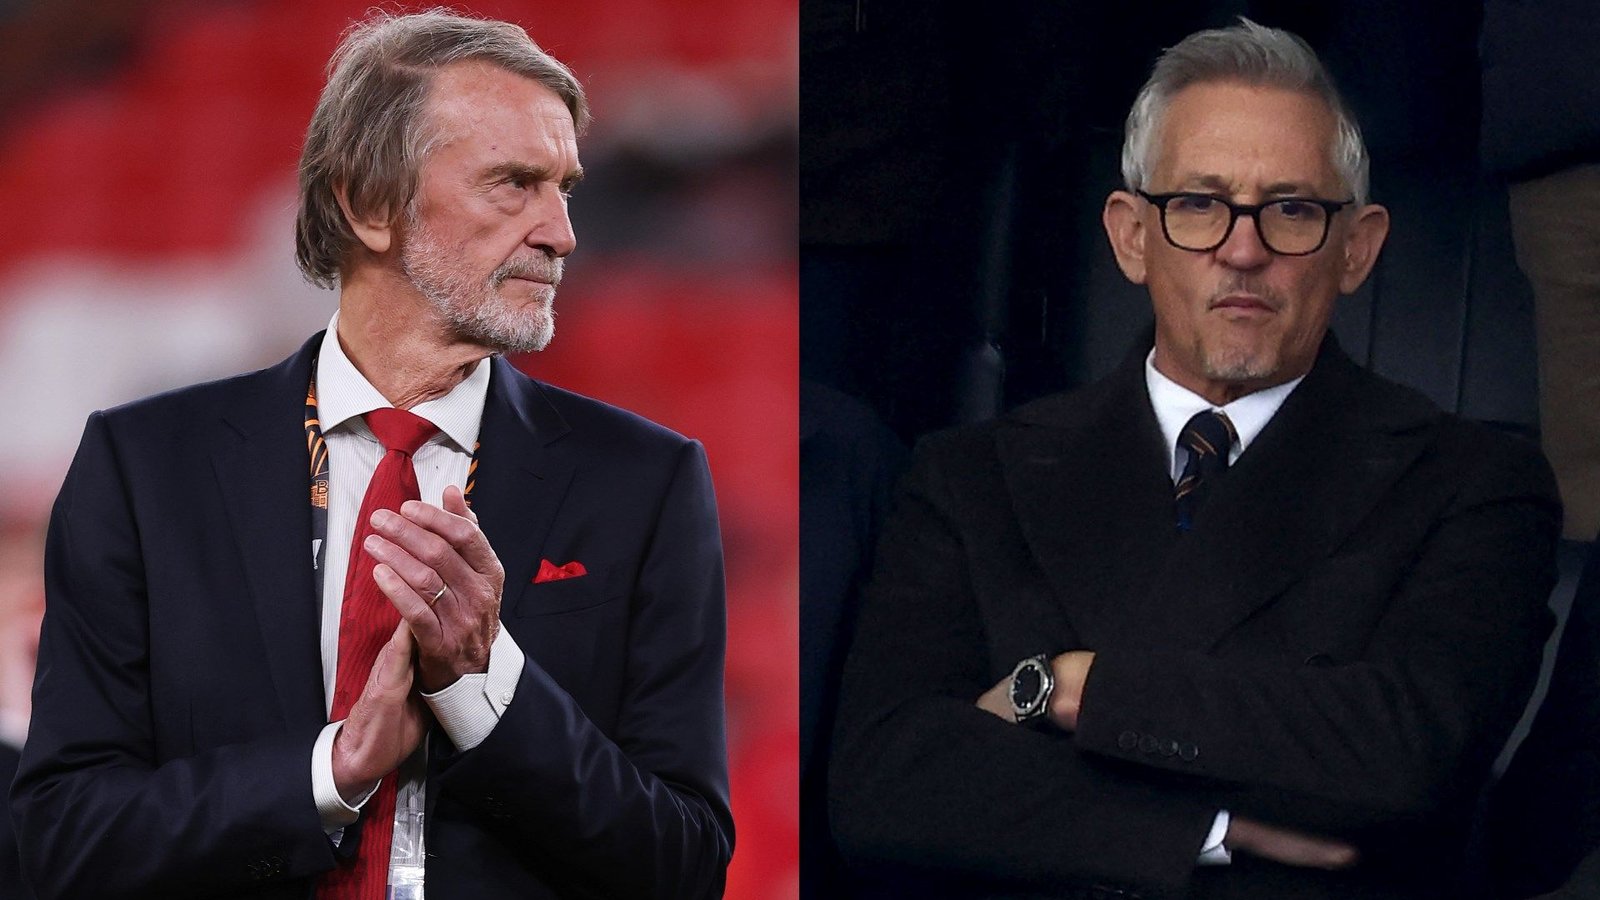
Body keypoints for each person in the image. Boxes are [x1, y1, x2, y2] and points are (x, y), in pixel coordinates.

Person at [828, 19, 1559, 900]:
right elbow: (884, 785)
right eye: (1199, 205)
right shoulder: (967, 475)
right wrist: (1200, 829)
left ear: (1357, 248)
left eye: (1292, 209)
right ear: (1131, 235)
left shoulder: (1473, 485)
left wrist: (1072, 688)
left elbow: (1406, 757)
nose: (1243, 250)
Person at [11, 11, 732, 900]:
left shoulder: (645, 482)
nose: (561, 232)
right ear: (368, 206)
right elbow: (63, 838)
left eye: (564, 189)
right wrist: (328, 774)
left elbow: (684, 865)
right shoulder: (145, 467)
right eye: (513, 185)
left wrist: (484, 686)